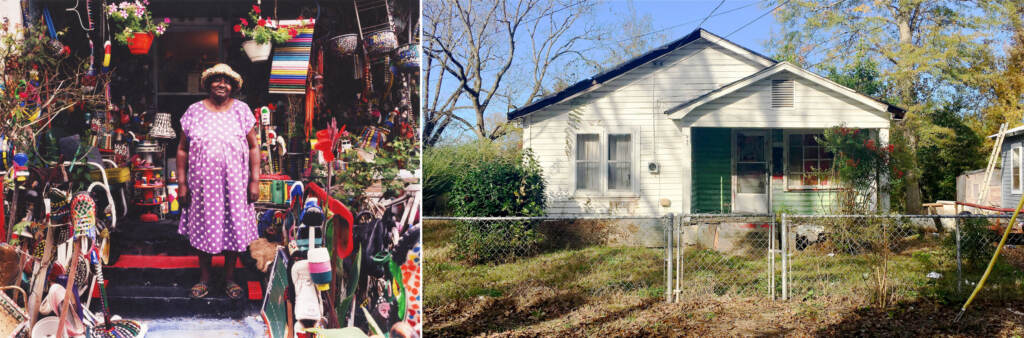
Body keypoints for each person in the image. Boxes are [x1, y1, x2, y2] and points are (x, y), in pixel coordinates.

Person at [176, 63, 260, 299]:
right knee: (204, 226)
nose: (222, 84)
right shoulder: (194, 111)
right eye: (217, 79)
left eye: (227, 81)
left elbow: (254, 147)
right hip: (202, 187)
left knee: (233, 225)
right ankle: (205, 278)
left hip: (235, 185)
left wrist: (255, 181)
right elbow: (182, 150)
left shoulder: (242, 111)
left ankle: (229, 278)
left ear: (233, 87)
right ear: (208, 84)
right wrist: (182, 184)